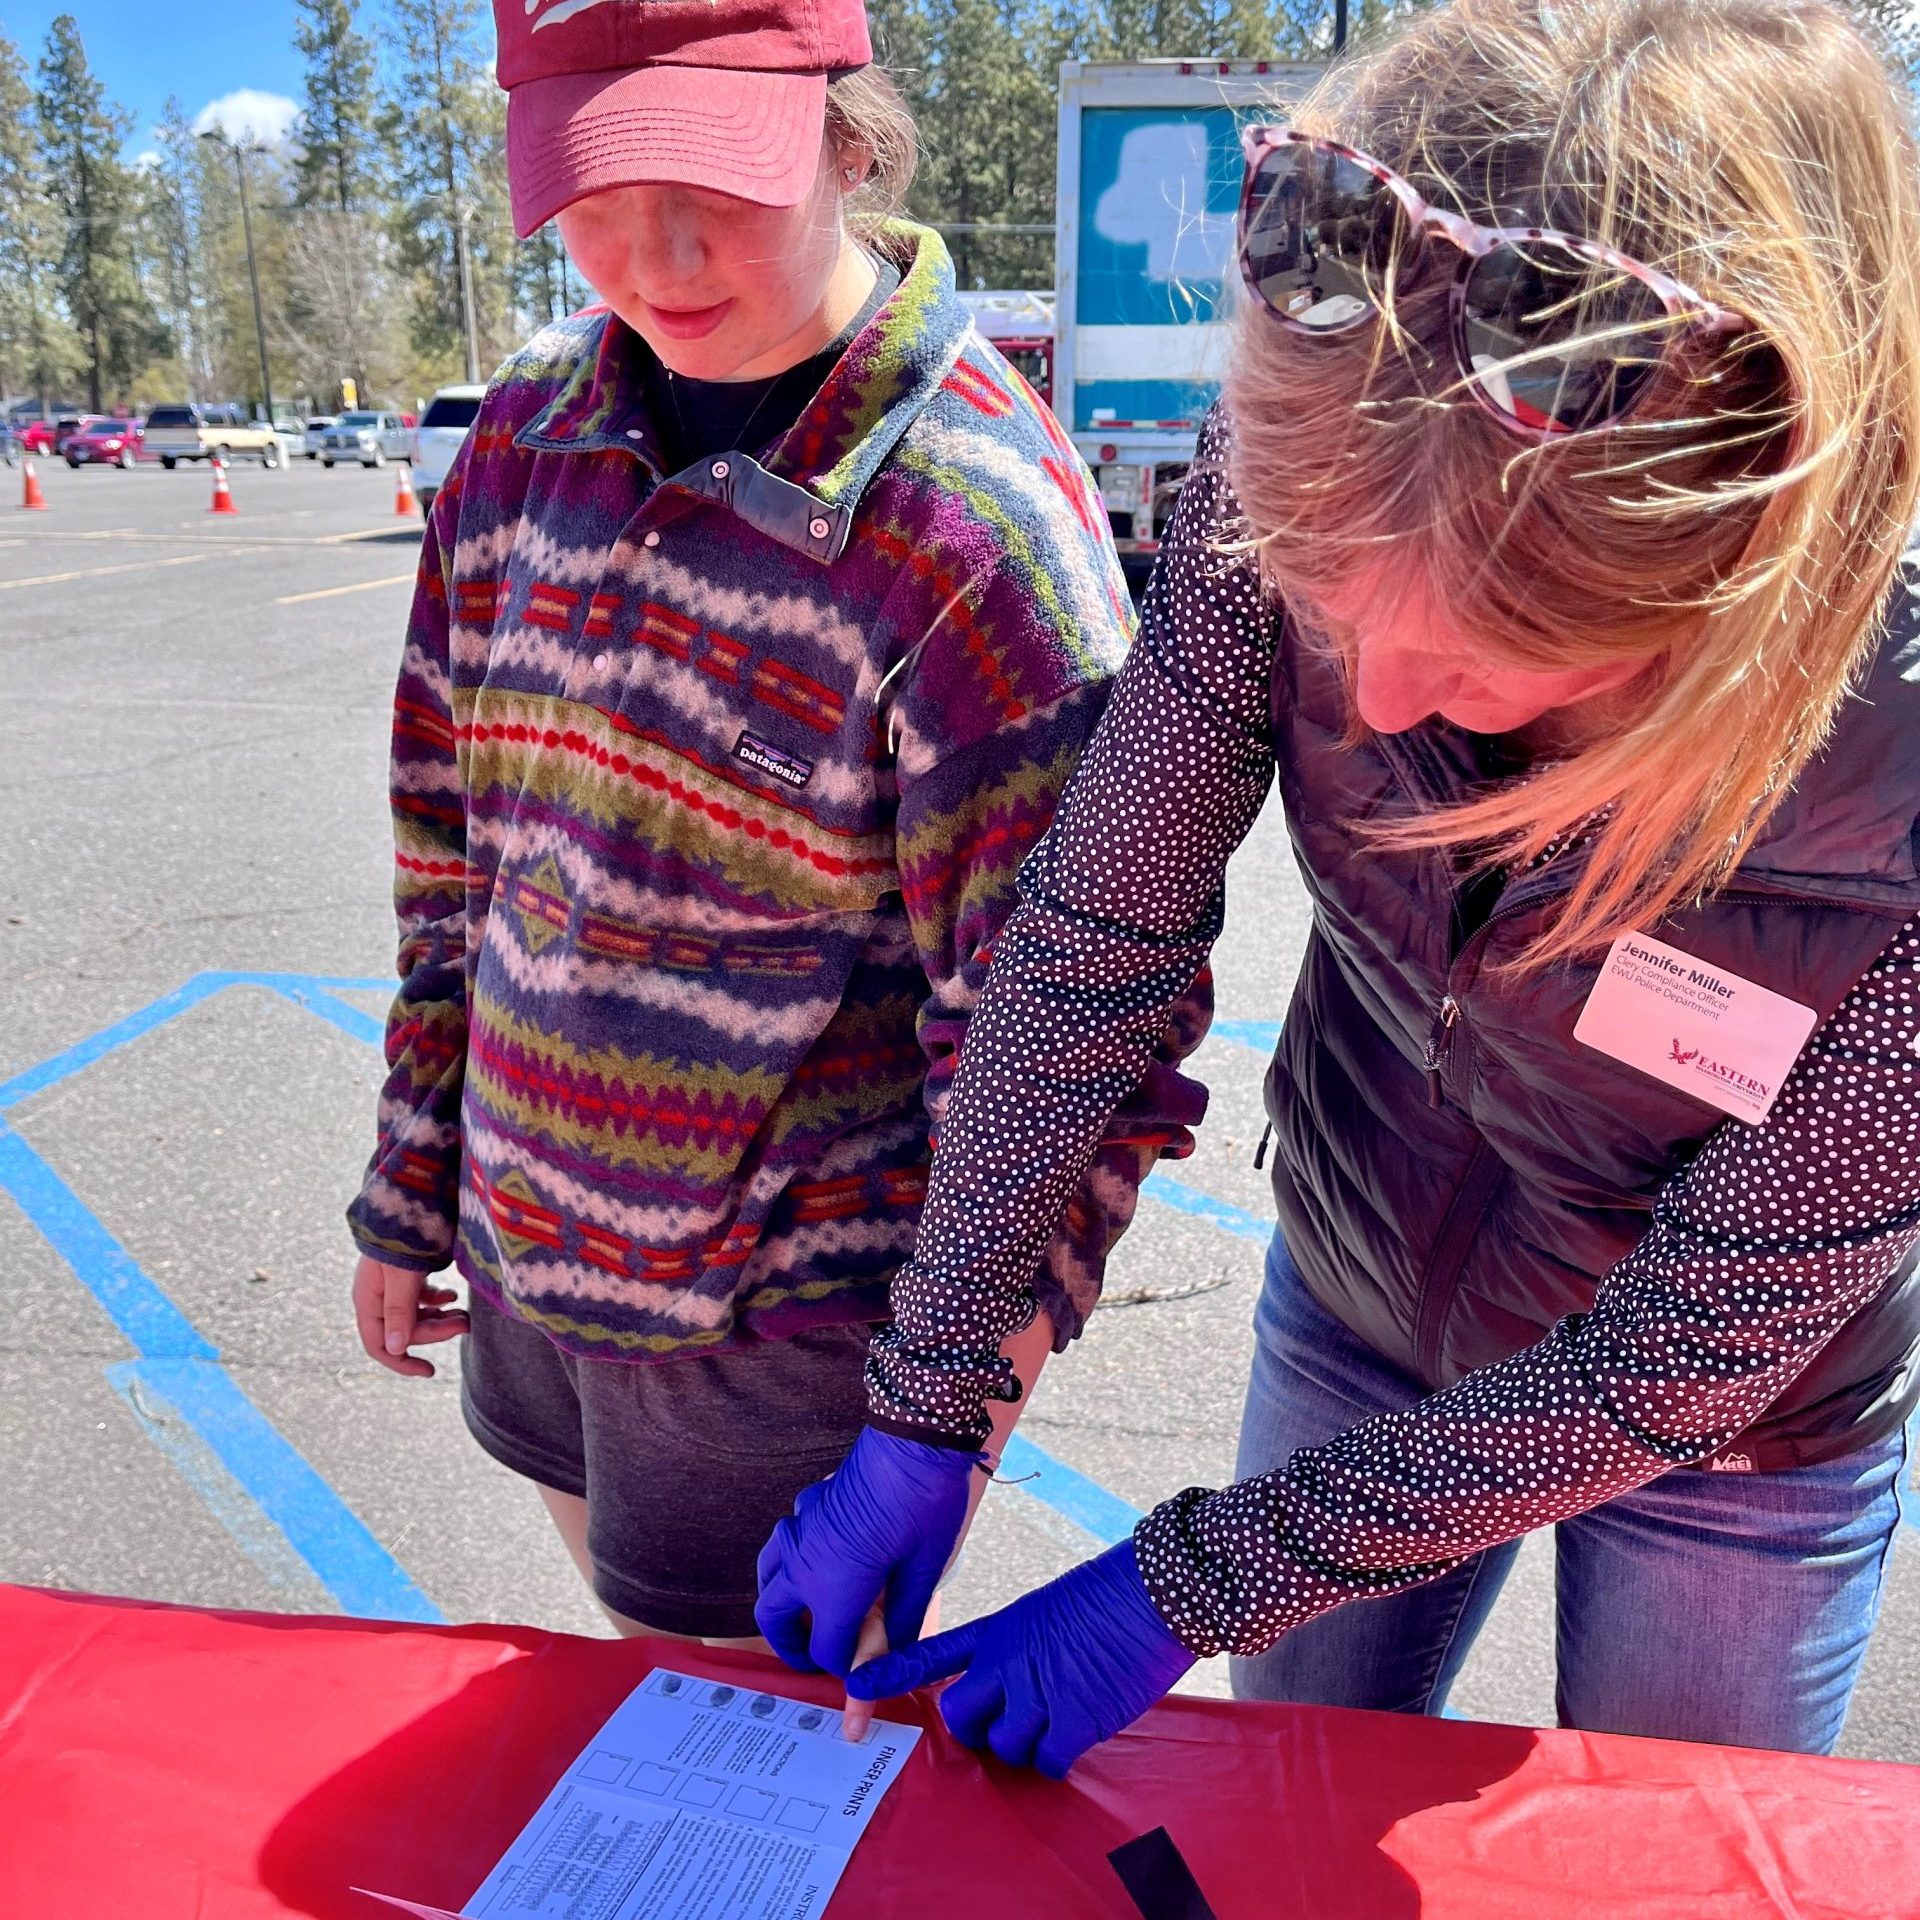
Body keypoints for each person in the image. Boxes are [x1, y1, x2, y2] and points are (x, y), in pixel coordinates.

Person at [759, 0, 1920, 1773]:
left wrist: (1203, 1574)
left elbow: (1680, 1360)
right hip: (1371, 1279)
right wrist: (931, 1403)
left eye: (1473, 665)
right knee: (1294, 1799)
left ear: (1728, 596)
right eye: (1327, 609)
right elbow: (1098, 941)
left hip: (1739, 1441)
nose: (1368, 707)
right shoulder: (1320, 452)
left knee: (1681, 1864)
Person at [346, 0, 1207, 1649]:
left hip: (787, 1346)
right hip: (526, 1263)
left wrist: (955, 1405)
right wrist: (412, 1176)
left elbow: (1076, 1030)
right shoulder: (524, 437)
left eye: (711, 188)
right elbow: (451, 846)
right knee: (634, 1687)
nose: (655, 260)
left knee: (762, 1787)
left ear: (849, 140)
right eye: (596, 194)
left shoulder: (971, 534)